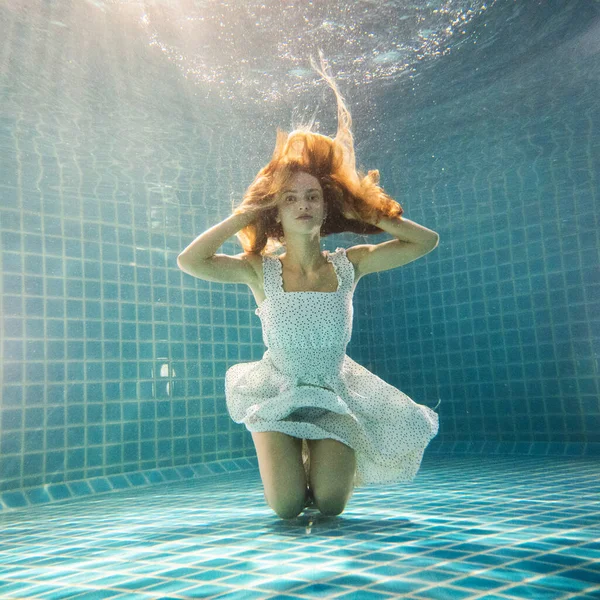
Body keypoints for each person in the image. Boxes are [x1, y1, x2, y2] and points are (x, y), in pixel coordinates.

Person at [178, 51, 440, 521]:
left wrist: (368, 211)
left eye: (313, 197)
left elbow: (426, 241)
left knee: (332, 506)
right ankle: (275, 435)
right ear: (275, 211)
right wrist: (245, 213)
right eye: (290, 198)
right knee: (287, 509)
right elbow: (190, 260)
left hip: (333, 391)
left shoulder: (349, 266)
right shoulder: (260, 270)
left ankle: (318, 456)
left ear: (325, 208)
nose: (303, 205)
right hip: (276, 388)